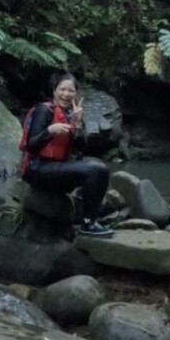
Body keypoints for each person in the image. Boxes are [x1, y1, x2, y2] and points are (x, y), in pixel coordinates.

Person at [20, 72, 114, 238]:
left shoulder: (72, 114)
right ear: (54, 91)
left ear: (75, 93)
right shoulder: (44, 110)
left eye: (71, 91)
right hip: (36, 167)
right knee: (96, 169)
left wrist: (78, 124)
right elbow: (31, 146)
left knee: (99, 169)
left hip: (57, 168)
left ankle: (87, 217)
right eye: (62, 89)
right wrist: (50, 131)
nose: (66, 94)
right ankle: (88, 223)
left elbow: (80, 148)